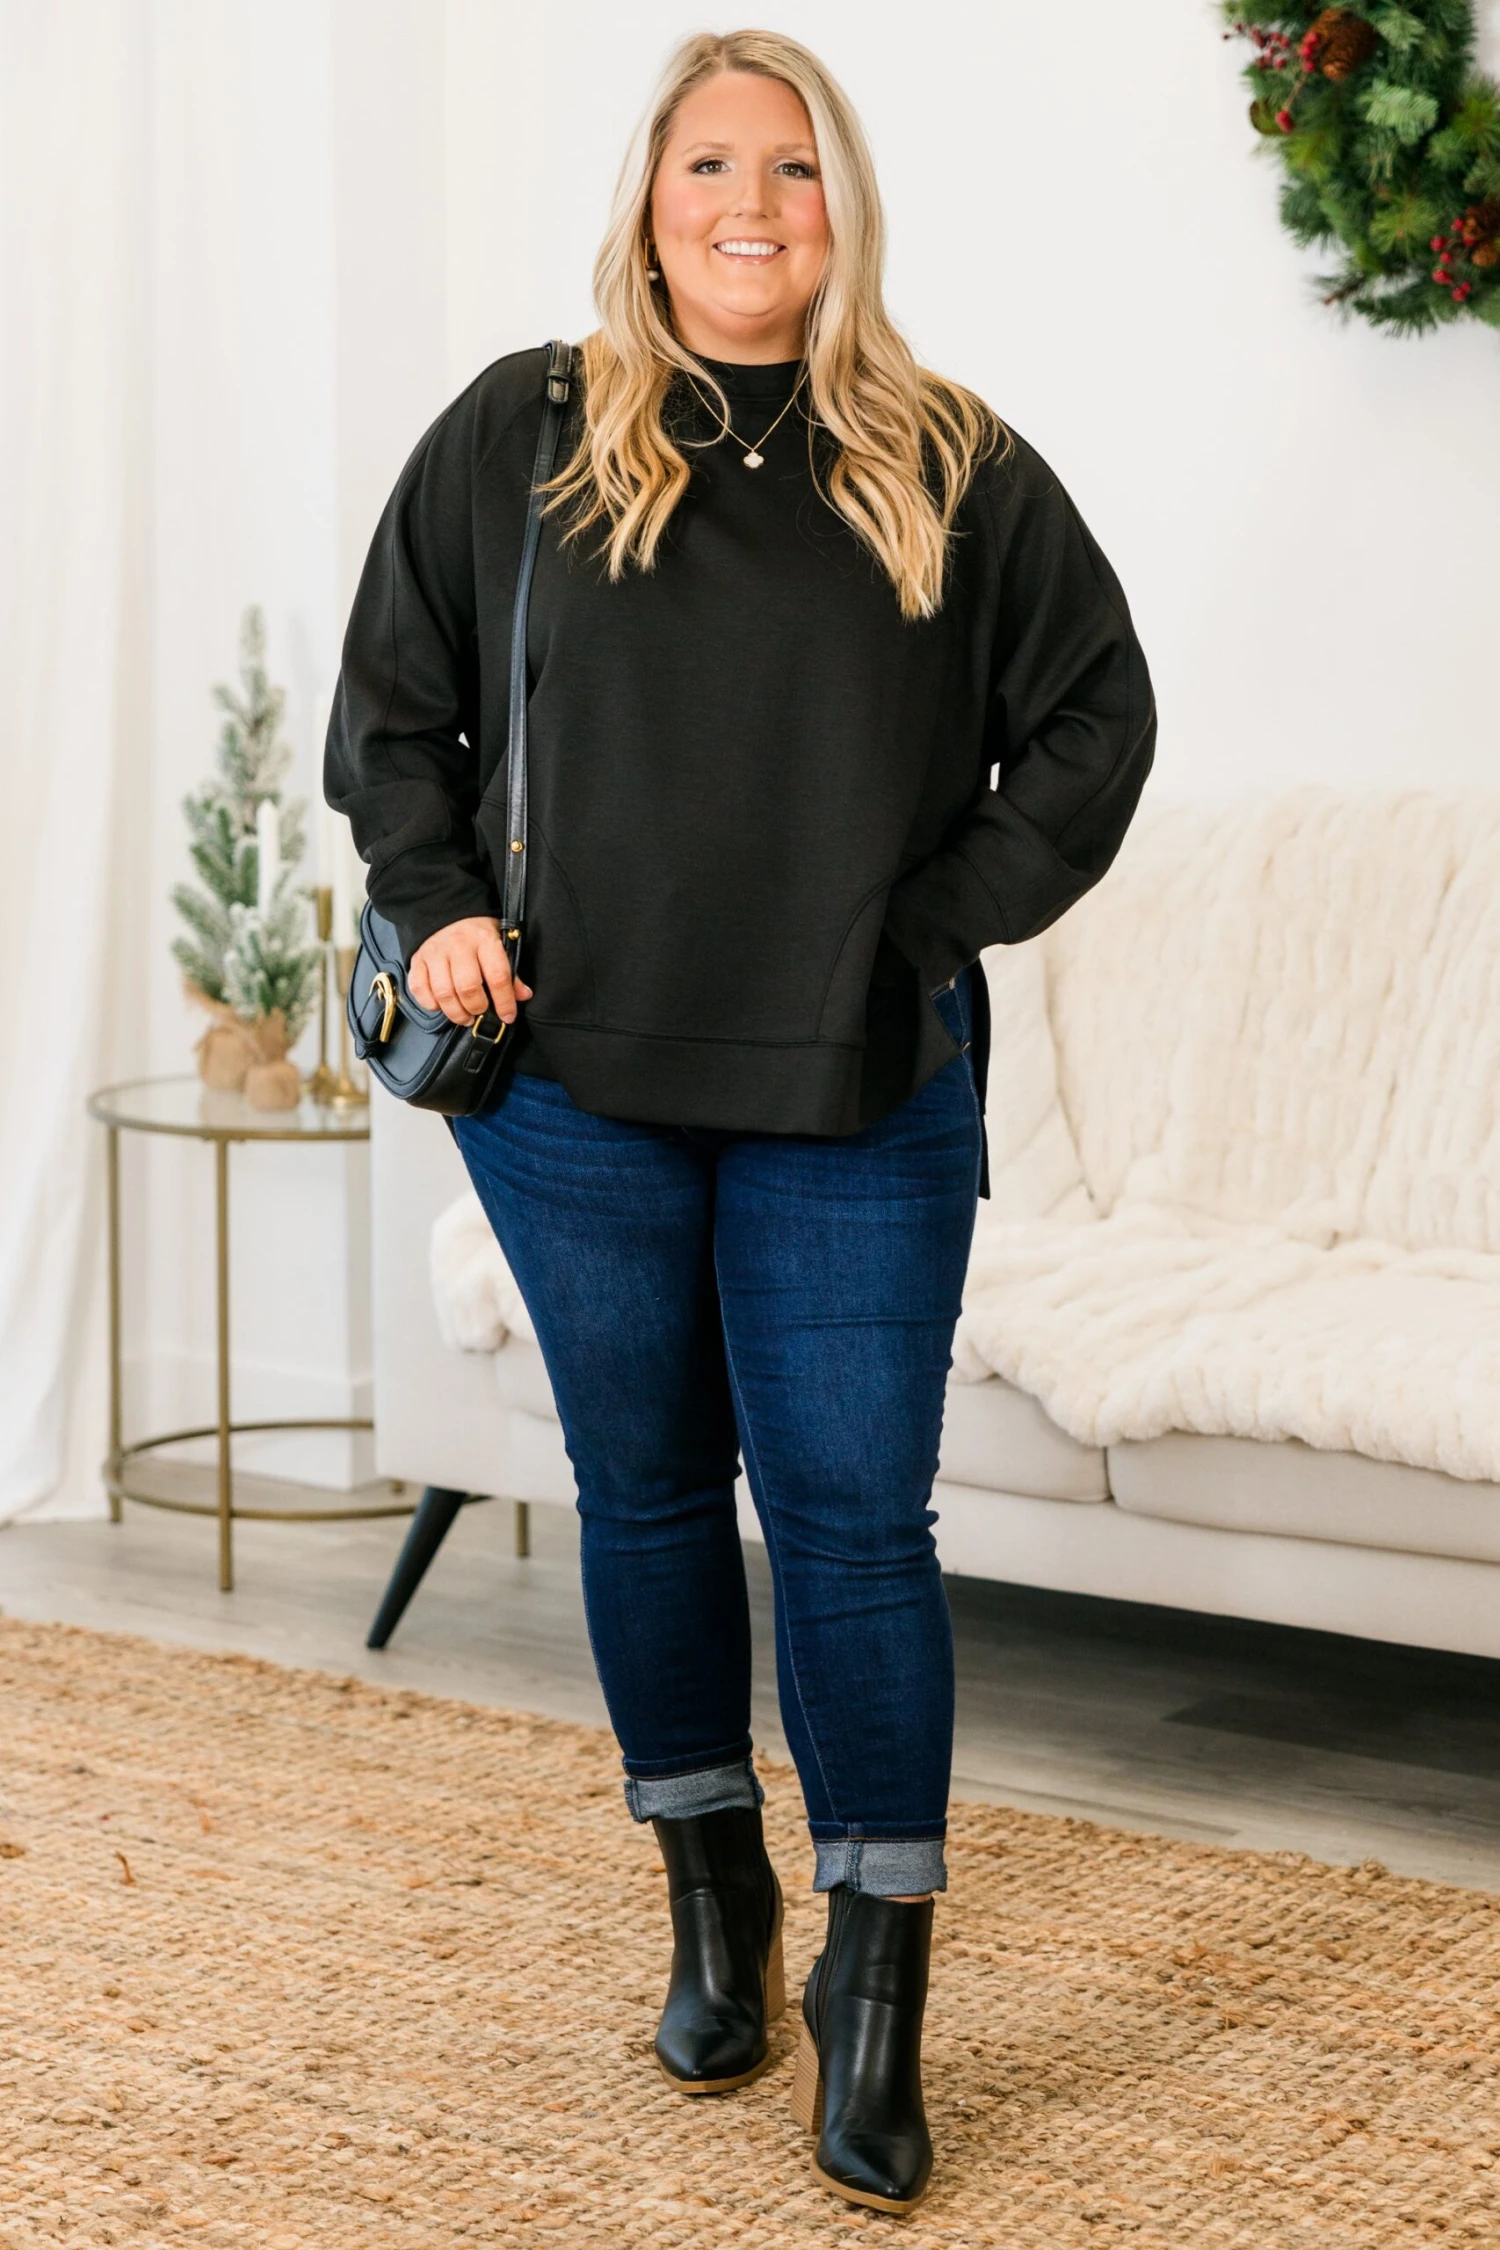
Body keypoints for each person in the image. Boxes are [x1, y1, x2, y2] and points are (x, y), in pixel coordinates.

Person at [326, 26, 1155, 2216]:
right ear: (650, 194)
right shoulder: (522, 432)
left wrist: (926, 927)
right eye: (710, 163)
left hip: (858, 1087)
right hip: (574, 1087)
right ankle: (717, 1904)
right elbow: (394, 712)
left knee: (856, 1526)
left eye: (791, 166)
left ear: (839, 202)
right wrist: (436, 901)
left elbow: (1097, 719)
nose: (751, 203)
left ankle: (876, 1993)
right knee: (647, 1500)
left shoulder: (947, 457)